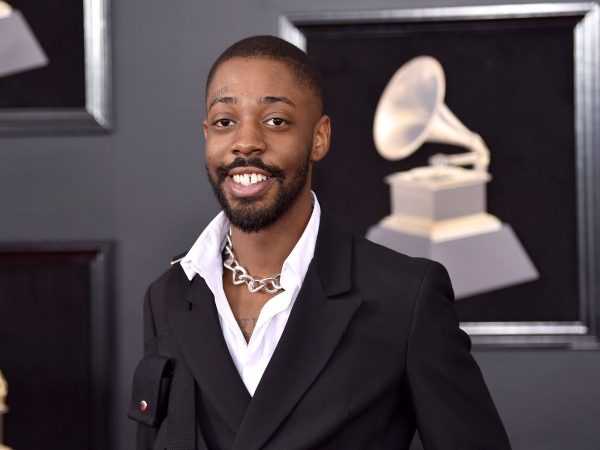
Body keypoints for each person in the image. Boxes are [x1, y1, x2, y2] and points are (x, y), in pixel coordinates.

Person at [129, 35, 511, 450]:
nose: (245, 142)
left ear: (319, 138)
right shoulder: (166, 297)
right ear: (207, 135)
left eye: (275, 120)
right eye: (225, 121)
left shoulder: (406, 297)